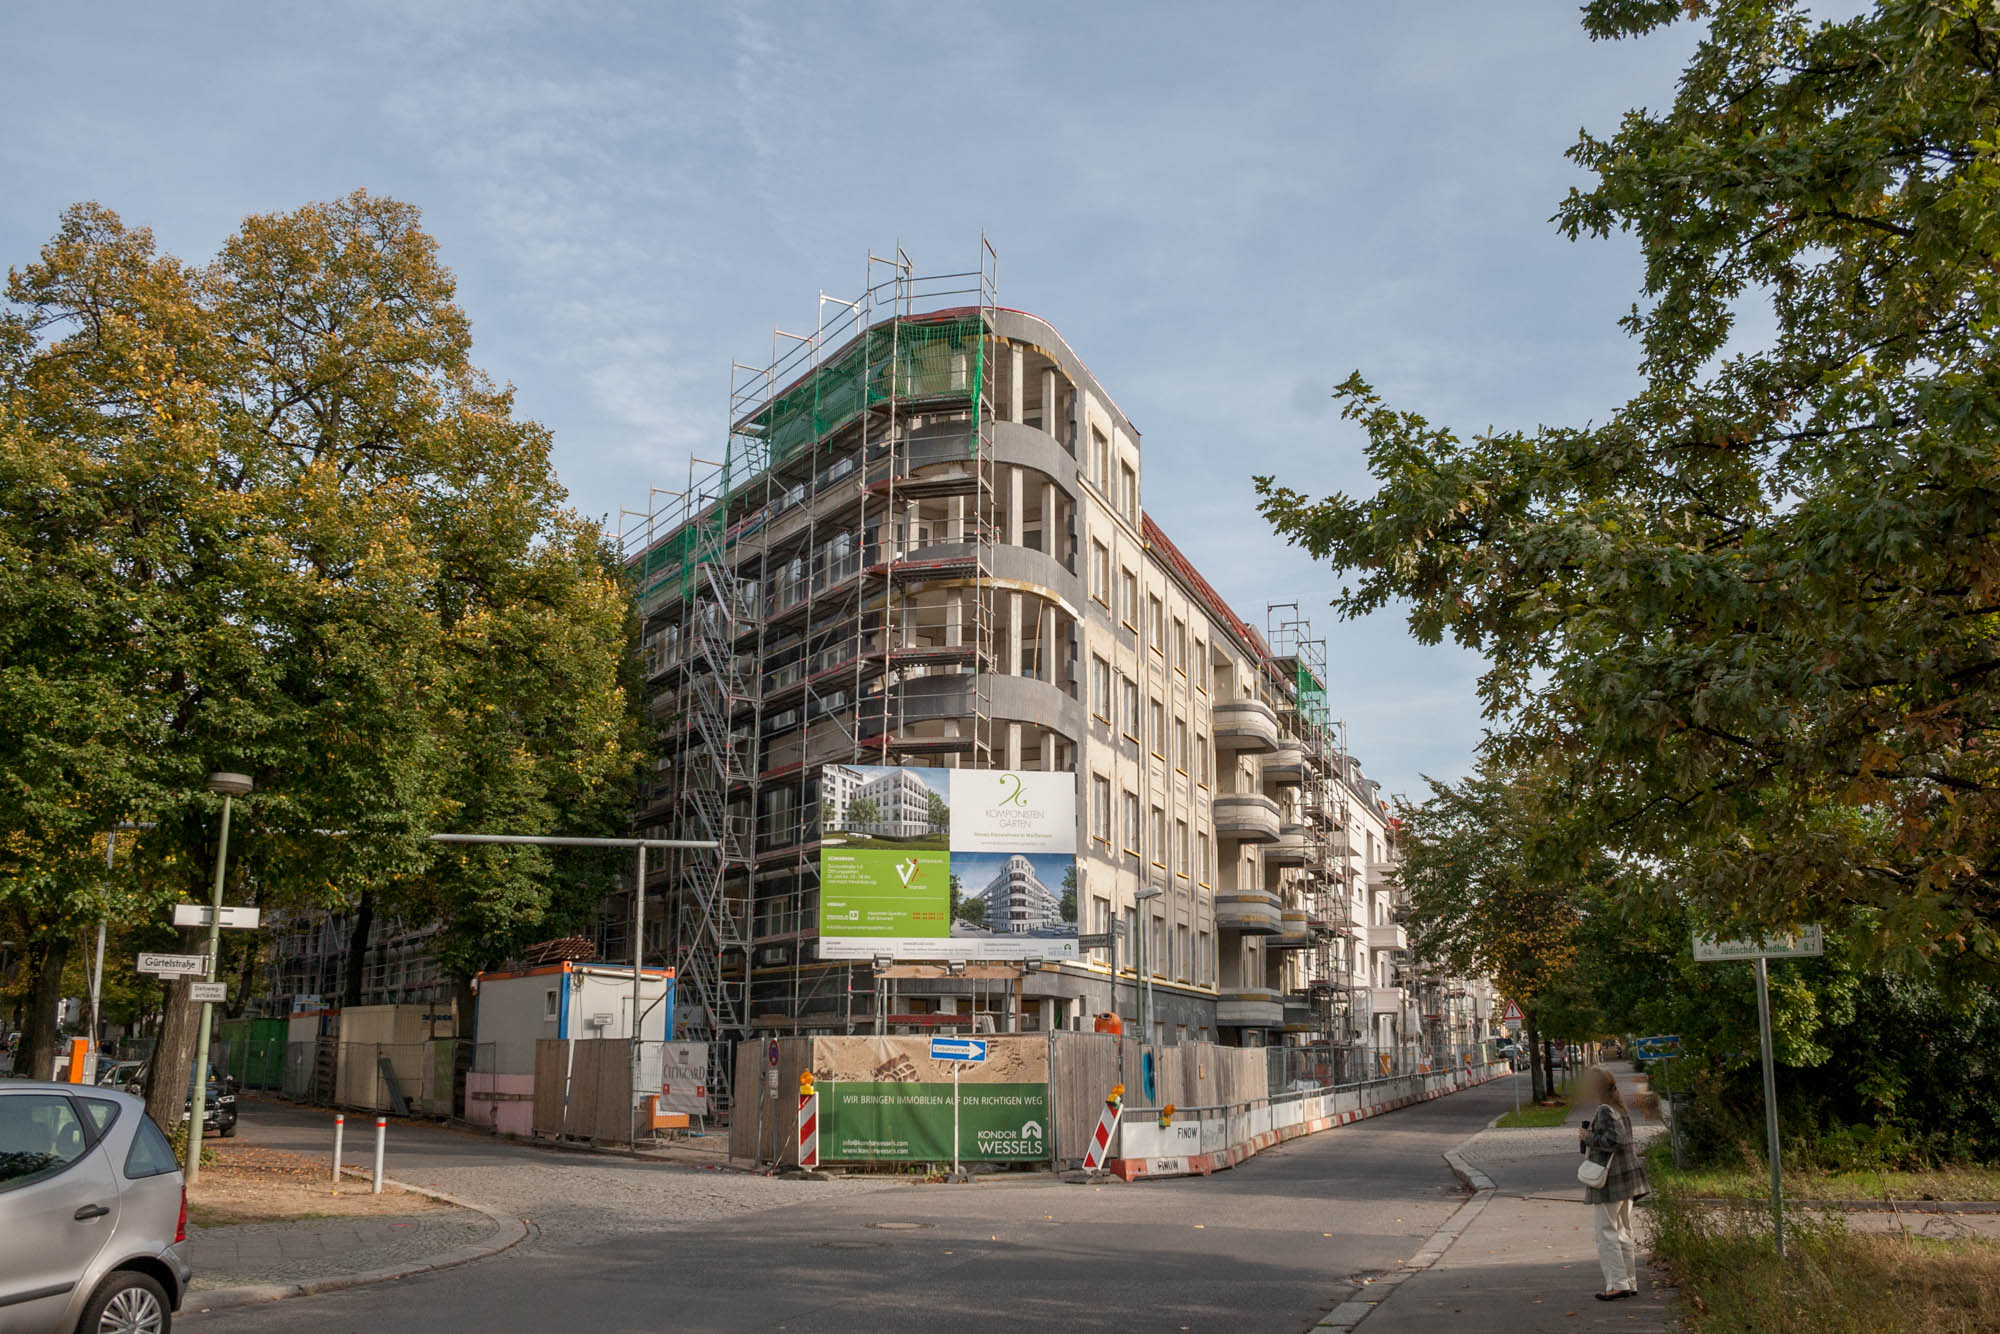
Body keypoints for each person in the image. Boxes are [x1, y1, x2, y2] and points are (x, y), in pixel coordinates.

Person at [1578, 1064, 1650, 1300]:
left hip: (1612, 1180)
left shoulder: (1605, 1110)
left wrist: (1588, 1137)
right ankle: (1629, 1281)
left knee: (1606, 1233)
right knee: (1623, 1231)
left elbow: (1613, 1140)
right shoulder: (1620, 1108)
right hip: (1626, 1179)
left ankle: (1617, 1284)